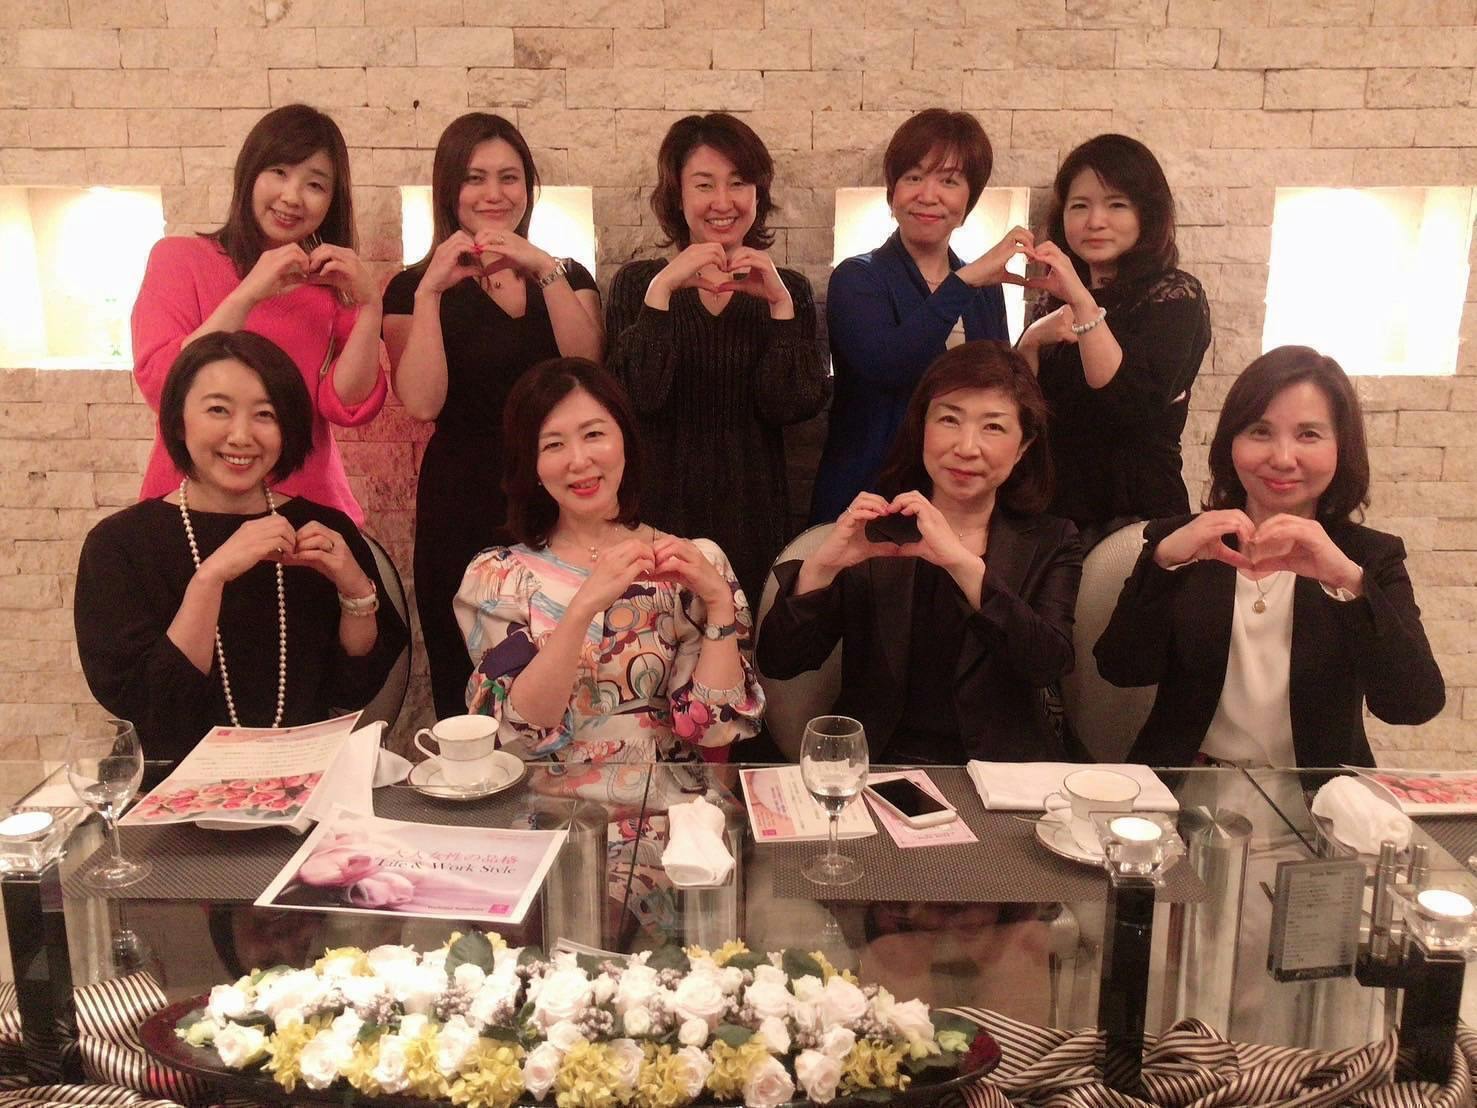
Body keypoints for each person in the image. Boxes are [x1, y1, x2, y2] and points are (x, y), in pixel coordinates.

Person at [1095, 346, 1444, 768]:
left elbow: (1412, 704)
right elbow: (1122, 670)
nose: (1282, 458)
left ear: (1341, 447)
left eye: (1308, 435)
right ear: (1231, 442)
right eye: (1260, 431)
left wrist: (1349, 583)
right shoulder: (1181, 540)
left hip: (1318, 795)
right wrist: (1166, 563)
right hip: (1188, 787)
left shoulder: (1370, 557)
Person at [75, 331, 408, 763]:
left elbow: (354, 689)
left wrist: (356, 590)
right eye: (218, 409)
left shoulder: (322, 529)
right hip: (169, 783)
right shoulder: (118, 546)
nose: (241, 435)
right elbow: (153, 710)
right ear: (178, 420)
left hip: (304, 777)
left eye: (264, 414)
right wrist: (211, 578)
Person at [758, 341, 1083, 764]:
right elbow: (780, 662)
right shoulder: (877, 533)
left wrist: (963, 565)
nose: (966, 447)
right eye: (949, 419)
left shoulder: (1052, 540)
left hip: (1003, 773)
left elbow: (1047, 663)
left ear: (1023, 447)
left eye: (993, 427)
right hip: (878, 766)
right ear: (922, 427)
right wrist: (820, 568)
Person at [383, 113, 603, 720]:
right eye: (475, 177)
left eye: (510, 177)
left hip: (560, 489)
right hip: (461, 495)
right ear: (449, 189)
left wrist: (543, 267)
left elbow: (586, 368)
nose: (493, 194)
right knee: (467, 676)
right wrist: (431, 292)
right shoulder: (411, 287)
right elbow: (422, 402)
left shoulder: (566, 274)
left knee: (570, 662)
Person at [454, 358, 763, 763]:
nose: (579, 460)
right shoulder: (498, 578)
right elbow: (520, 732)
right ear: (532, 465)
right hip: (543, 800)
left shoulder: (693, 563)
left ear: (625, 442)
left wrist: (720, 602)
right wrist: (583, 607)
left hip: (668, 798)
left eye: (593, 434)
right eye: (553, 444)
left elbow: (713, 730)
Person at [604, 113, 829, 604]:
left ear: (758, 194)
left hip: (755, 511)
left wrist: (781, 307)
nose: (723, 202)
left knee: (744, 641)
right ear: (677, 196)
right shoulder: (638, 284)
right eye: (704, 185)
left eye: (738, 183)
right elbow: (635, 398)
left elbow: (792, 407)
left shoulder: (787, 288)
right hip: (656, 514)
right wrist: (662, 291)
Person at [131, 104, 387, 526]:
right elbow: (164, 385)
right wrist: (248, 293)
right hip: (192, 504)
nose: (292, 196)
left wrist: (370, 306)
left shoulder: (329, 284)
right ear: (250, 173)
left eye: (315, 184)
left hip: (303, 506)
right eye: (279, 172)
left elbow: (348, 406)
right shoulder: (179, 259)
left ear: (332, 200)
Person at [812, 108, 1035, 523]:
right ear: (892, 191)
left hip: (958, 502)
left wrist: (1035, 339)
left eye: (949, 181)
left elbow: (997, 390)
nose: (928, 195)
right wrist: (963, 282)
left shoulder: (983, 287)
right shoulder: (857, 278)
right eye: (913, 177)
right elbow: (888, 365)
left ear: (969, 199)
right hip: (869, 495)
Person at [1017, 133, 1211, 545]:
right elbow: (1021, 405)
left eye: (1116, 204)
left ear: (1147, 213)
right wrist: (1031, 340)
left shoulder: (1175, 295)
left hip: (1134, 519)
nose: (1095, 221)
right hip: (1050, 512)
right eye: (1079, 206)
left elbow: (1128, 402)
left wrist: (1083, 302)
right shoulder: (1052, 298)